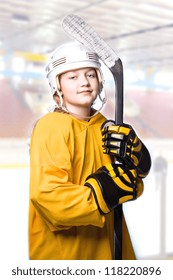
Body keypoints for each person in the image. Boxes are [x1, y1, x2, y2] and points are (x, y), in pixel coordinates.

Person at [29, 41, 151, 260]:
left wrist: (138, 159)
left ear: (100, 80)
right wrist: (100, 194)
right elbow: (48, 198)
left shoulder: (107, 126)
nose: (84, 82)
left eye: (90, 75)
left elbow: (128, 185)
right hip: (68, 255)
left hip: (110, 248)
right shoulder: (51, 127)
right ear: (57, 84)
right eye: (72, 77)